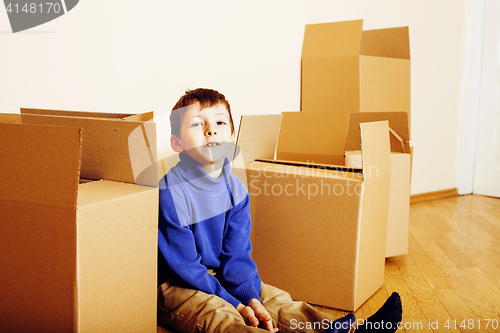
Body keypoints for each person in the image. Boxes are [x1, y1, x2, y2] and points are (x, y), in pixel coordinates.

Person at [157, 88, 402, 333]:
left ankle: (339, 331)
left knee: (272, 298)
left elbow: (237, 255)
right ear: (177, 143)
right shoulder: (171, 192)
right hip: (178, 282)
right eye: (198, 124)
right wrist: (235, 304)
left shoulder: (237, 191)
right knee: (219, 314)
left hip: (219, 272)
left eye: (220, 122)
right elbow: (186, 267)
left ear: (232, 137)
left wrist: (250, 298)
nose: (211, 130)